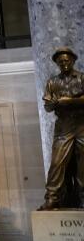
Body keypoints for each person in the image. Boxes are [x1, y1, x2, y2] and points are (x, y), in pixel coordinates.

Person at [40, 48, 84, 210]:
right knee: (57, 162)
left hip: (82, 125)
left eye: (66, 61)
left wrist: (70, 101)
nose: (64, 64)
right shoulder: (53, 82)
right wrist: (53, 103)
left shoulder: (81, 78)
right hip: (63, 126)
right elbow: (47, 107)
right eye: (60, 62)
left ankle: (82, 197)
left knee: (83, 164)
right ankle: (51, 197)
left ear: (72, 60)